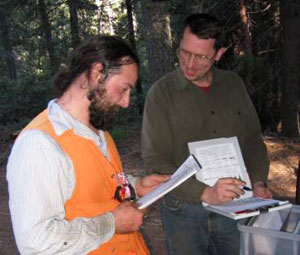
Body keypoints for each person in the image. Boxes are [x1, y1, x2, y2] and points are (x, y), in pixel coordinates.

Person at [7, 35, 169, 255]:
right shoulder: (39, 144)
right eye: (123, 89)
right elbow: (36, 242)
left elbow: (93, 190)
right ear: (97, 73)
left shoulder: (99, 132)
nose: (126, 102)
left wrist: (135, 186)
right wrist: (112, 224)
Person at [141, 13, 272, 255]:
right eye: (184, 52)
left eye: (201, 56)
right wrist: (204, 193)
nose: (190, 64)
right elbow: (155, 161)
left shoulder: (234, 85)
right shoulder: (161, 94)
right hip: (184, 211)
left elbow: (253, 142)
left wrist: (259, 182)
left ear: (219, 54)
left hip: (236, 205)